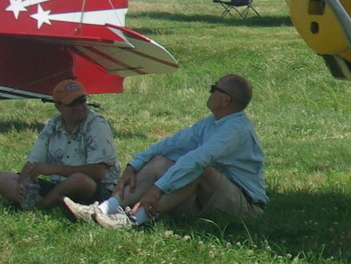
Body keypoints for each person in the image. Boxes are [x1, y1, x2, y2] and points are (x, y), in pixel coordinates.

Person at [68, 74, 267, 228]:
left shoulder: (235, 130)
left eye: (214, 88)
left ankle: (133, 220)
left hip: (245, 207)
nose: (210, 91)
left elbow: (198, 160)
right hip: (208, 199)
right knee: (160, 161)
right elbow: (170, 144)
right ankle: (103, 209)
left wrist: (157, 189)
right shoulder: (211, 122)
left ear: (226, 100)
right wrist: (133, 166)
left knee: (200, 169)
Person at [1, 80, 119, 212]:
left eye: (82, 100)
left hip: (96, 189)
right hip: (59, 186)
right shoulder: (53, 125)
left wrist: (55, 169)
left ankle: (41, 207)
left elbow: (98, 172)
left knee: (78, 180)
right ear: (59, 106)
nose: (79, 106)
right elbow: (32, 163)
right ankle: (52, 202)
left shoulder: (97, 125)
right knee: (3, 178)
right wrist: (23, 185)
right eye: (72, 104)